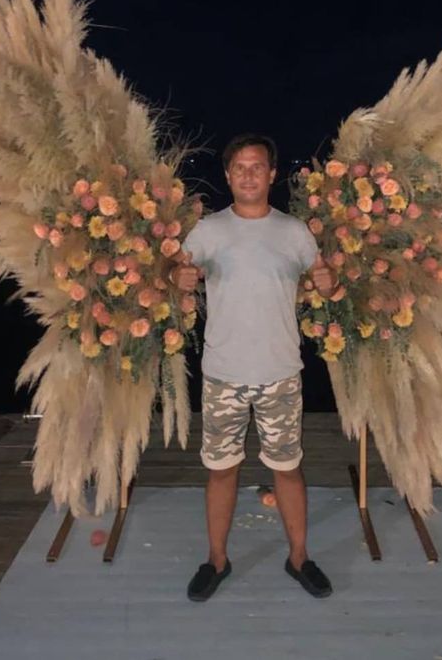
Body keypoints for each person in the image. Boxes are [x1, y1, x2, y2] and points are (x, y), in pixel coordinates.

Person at [169, 133, 339, 601]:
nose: (248, 174)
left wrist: (328, 278)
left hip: (280, 372)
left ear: (271, 174)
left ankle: (299, 557)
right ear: (228, 176)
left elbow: (324, 278)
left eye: (256, 166)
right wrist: (177, 276)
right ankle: (217, 560)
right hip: (223, 373)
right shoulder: (208, 231)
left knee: (287, 468)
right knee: (222, 470)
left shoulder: (294, 231)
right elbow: (181, 271)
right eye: (239, 167)